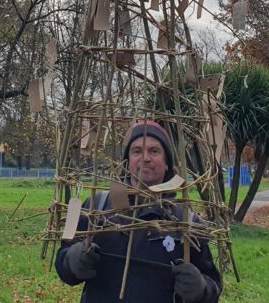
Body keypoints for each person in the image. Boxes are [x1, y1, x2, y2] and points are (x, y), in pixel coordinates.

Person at [55, 120, 222, 302]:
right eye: (137, 151)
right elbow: (64, 264)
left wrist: (201, 288)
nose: (145, 158)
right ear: (127, 163)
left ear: (167, 163)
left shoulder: (187, 221)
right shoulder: (97, 207)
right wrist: (70, 260)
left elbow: (212, 284)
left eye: (154, 151)